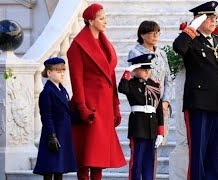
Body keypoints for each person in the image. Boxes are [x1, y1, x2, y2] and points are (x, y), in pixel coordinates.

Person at [172, 1, 218, 180]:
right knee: (198, 153)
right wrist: (191, 28)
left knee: (214, 153)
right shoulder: (191, 41)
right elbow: (178, 47)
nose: (214, 20)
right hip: (199, 105)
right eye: (209, 17)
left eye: (214, 17)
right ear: (198, 20)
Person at [66, 3, 126, 180]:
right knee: (86, 158)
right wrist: (82, 108)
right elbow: (76, 81)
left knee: (99, 157)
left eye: (105, 17)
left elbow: (111, 78)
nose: (105, 21)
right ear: (90, 21)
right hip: (89, 107)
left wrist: (115, 107)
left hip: (105, 106)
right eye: (101, 18)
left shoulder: (105, 43)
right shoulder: (77, 46)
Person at [118, 54, 164, 180]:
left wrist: (161, 131)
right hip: (138, 127)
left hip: (152, 128)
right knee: (137, 161)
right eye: (143, 69)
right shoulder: (131, 84)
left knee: (149, 162)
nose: (147, 72)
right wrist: (128, 71)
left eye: (148, 69)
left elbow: (158, 109)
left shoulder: (154, 85)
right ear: (136, 70)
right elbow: (121, 88)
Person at [128, 20, 173, 145]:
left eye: (157, 33)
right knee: (143, 148)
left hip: (161, 107)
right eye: (152, 33)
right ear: (142, 35)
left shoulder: (162, 53)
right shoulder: (135, 53)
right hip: (145, 107)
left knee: (157, 144)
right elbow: (135, 78)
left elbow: (168, 79)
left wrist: (165, 101)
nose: (155, 36)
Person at [33, 57, 77, 180]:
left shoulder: (63, 90)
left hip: (63, 134)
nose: (62, 73)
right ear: (49, 73)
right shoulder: (46, 92)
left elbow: (67, 112)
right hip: (53, 135)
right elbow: (46, 116)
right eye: (58, 71)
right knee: (50, 169)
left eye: (63, 70)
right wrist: (51, 135)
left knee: (59, 169)